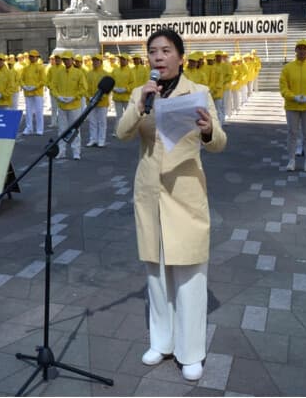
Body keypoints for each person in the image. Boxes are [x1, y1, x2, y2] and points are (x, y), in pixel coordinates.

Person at [115, 29, 226, 381]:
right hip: (150, 193)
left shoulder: (199, 93)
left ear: (181, 57)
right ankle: (161, 342)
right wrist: (139, 104)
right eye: (152, 52)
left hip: (186, 191)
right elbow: (122, 133)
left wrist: (208, 130)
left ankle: (190, 352)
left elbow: (219, 143)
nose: (158, 57)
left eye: (165, 51)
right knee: (156, 272)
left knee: (190, 274)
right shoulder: (140, 92)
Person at [279, 39, 306, 172]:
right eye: (300, 48)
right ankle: (291, 160)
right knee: (292, 133)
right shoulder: (288, 68)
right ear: (296, 50)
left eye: (305, 48)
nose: (302, 51)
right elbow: (283, 87)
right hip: (292, 105)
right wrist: (293, 97)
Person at [50, 51, 88, 160]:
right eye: (64, 60)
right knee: (62, 129)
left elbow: (83, 88)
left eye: (67, 59)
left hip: (74, 106)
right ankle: (61, 151)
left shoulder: (78, 73)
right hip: (62, 106)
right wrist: (58, 96)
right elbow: (53, 87)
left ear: (72, 60)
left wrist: (74, 97)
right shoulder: (59, 73)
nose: (66, 61)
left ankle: (76, 152)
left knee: (75, 130)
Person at [86, 54, 111, 147]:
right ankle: (93, 139)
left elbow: (108, 89)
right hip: (91, 101)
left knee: (102, 121)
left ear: (101, 62)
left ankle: (101, 140)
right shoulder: (89, 73)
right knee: (92, 121)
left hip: (102, 102)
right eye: (94, 61)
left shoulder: (105, 74)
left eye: (97, 61)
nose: (95, 62)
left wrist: (100, 97)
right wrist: (89, 97)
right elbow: (86, 88)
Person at [21, 49, 46, 135]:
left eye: (33, 56)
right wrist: (24, 86)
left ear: (37, 57)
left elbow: (43, 80)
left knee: (39, 111)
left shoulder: (40, 67)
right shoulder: (26, 68)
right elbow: (21, 79)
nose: (32, 58)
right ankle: (29, 128)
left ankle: (39, 129)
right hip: (28, 92)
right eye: (31, 56)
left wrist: (35, 87)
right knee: (28, 111)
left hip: (37, 92)